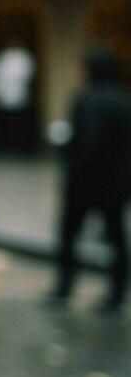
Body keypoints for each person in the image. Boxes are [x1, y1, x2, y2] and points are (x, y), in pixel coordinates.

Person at [49, 48, 131, 313]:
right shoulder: (123, 100)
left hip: (85, 182)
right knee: (117, 238)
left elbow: (84, 142)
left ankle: (64, 288)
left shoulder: (85, 99)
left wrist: (67, 157)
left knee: (69, 235)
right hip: (114, 182)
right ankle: (116, 295)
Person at [0, 38, 36, 154]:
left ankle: (19, 149)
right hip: (4, 100)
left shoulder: (23, 57)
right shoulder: (3, 57)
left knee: (18, 127)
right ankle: (8, 149)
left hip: (19, 99)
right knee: (7, 127)